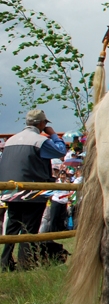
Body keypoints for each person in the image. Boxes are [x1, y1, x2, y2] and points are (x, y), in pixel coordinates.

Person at [0, 109, 67, 271]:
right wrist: (52, 134)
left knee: (12, 228)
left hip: (11, 191)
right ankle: (25, 264)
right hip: (33, 191)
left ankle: (4, 262)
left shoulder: (10, 141)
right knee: (29, 229)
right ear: (41, 124)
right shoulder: (40, 141)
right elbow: (61, 151)